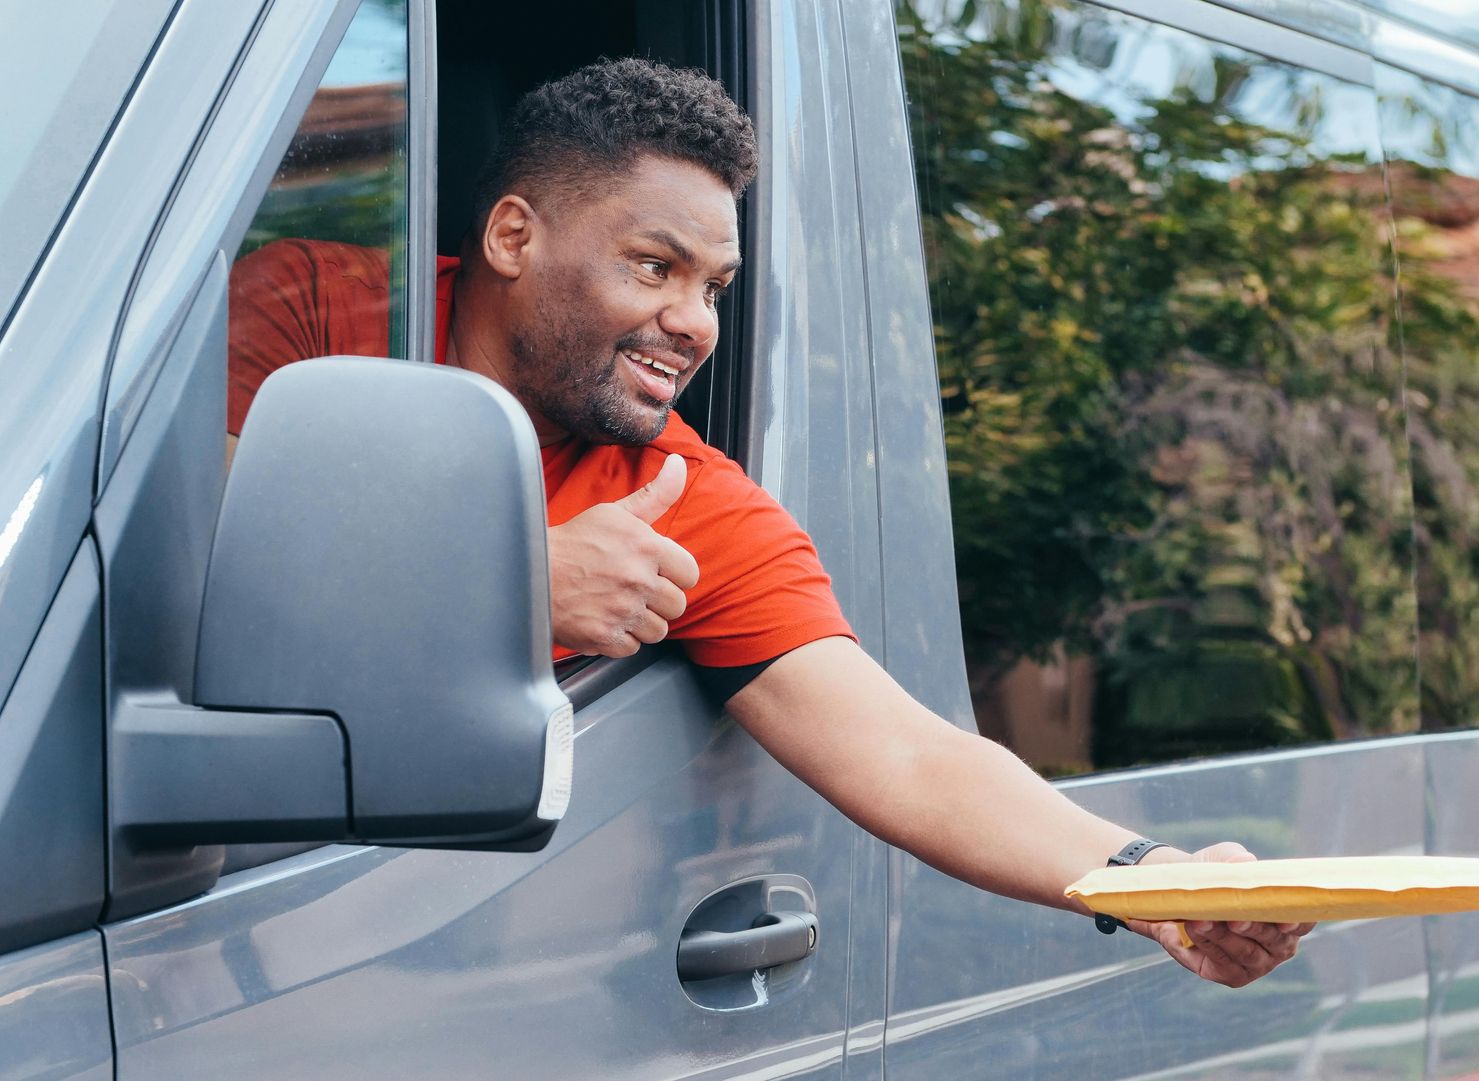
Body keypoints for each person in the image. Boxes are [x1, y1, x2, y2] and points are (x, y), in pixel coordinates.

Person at [227, 57, 1311, 989]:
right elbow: (181, 537)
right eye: (654, 267)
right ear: (514, 235)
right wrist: (509, 580)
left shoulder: (689, 497)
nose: (691, 323)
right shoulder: (315, 309)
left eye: (715, 286)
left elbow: (908, 751)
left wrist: (1151, 878)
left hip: (441, 945)